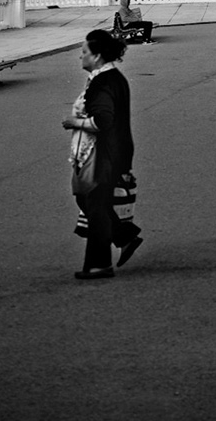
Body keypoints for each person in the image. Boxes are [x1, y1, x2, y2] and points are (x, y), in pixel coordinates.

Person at [61, 29, 141, 279]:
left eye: (84, 52)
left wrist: (75, 123)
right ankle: (123, 238)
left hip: (103, 153)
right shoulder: (113, 78)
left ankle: (100, 263)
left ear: (96, 56)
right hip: (114, 150)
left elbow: (103, 120)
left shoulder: (102, 82)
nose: (81, 57)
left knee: (94, 203)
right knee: (93, 201)